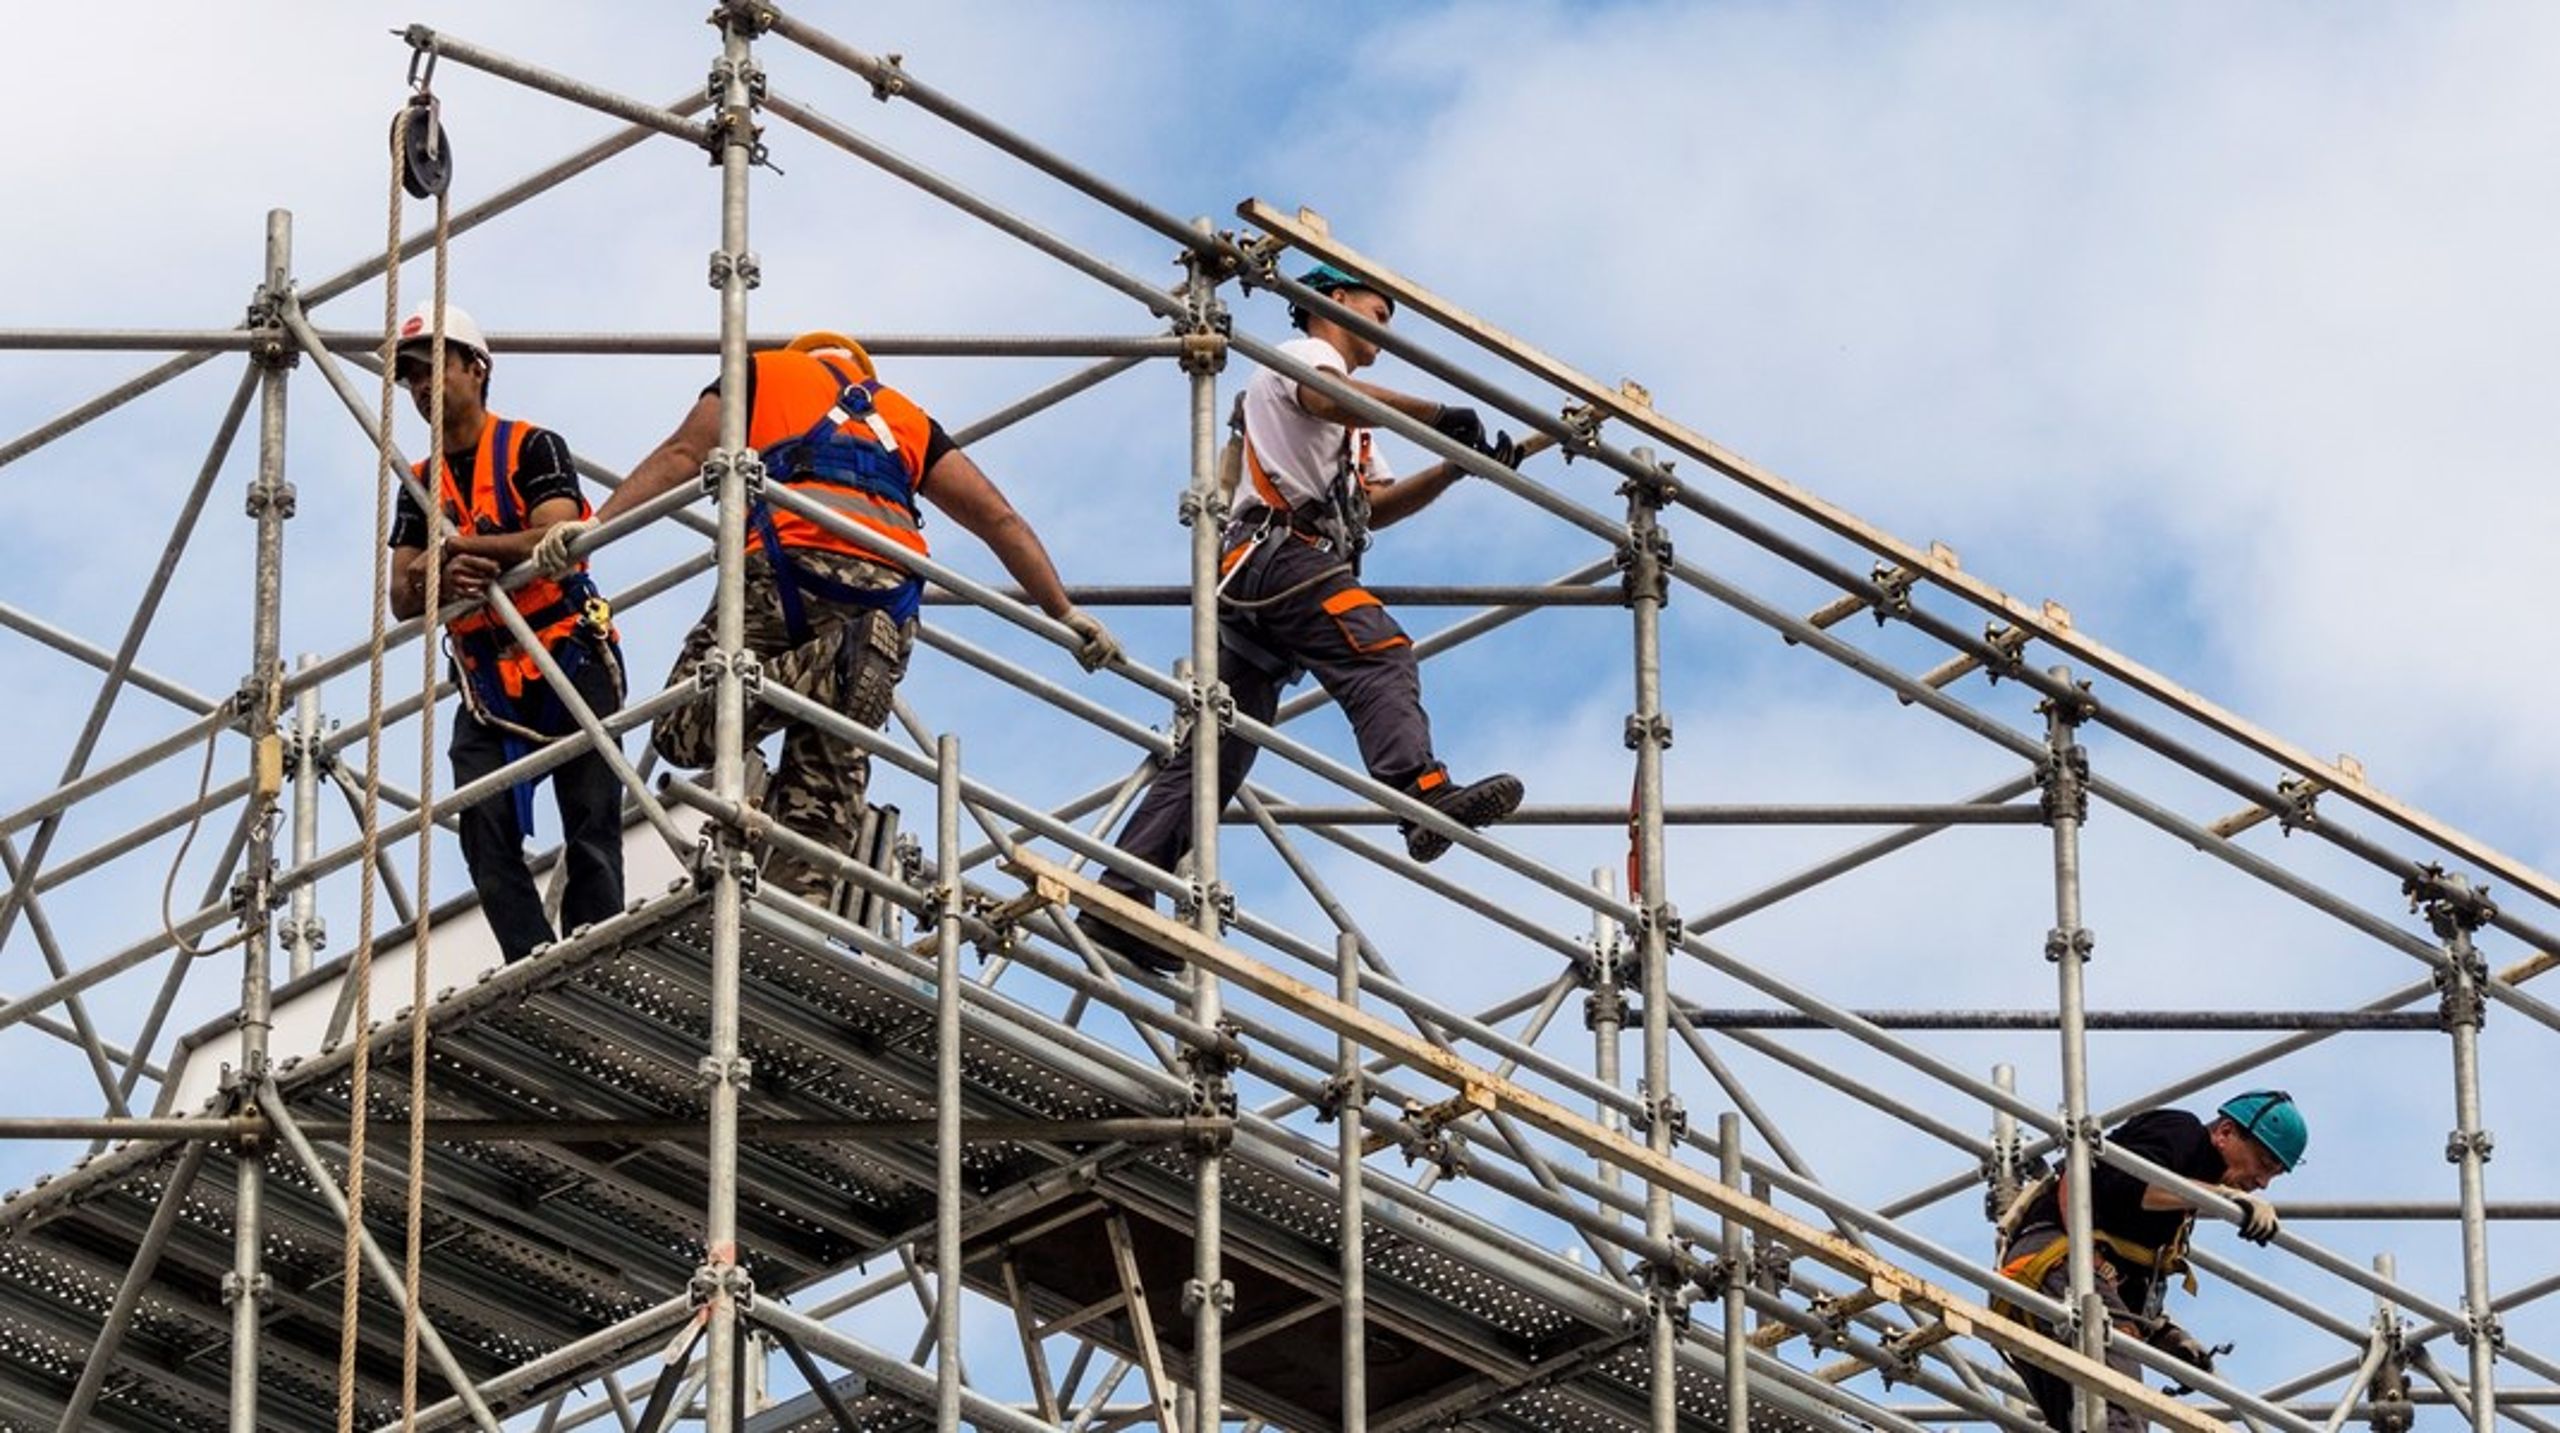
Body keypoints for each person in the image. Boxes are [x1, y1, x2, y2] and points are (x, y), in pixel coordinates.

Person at [558, 331, 1119, 908]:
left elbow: (683, 452)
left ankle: (839, 662)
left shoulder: (764, 373)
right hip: (889, 602)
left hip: (788, 567)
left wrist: (595, 529)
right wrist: (1065, 613)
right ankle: (797, 913)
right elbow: (999, 518)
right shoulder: (906, 417)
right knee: (826, 781)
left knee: (680, 729)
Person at [1077, 263, 1525, 975]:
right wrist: (1438, 416)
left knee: (1222, 746)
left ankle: (1120, 893)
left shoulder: (1356, 420)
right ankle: (1420, 793)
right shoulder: (1307, 359)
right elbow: (1326, 396)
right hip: (1280, 557)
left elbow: (1373, 505)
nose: (1382, 330)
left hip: (1272, 569)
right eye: (1375, 313)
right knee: (1379, 651)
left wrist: (1452, 464)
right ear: (1332, 302)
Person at [386, 301, 626, 963]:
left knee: (590, 821)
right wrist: (440, 570)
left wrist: (472, 549)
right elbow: (402, 596)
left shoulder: (531, 446)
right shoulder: (418, 482)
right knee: (484, 829)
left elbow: (558, 537)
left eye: (432, 368)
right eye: (409, 377)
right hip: (487, 676)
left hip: (566, 652)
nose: (420, 387)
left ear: (476, 367)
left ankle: (596, 957)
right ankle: (532, 960)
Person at [1993, 1090, 2305, 1431]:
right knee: (2118, 1397)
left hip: (2048, 1279)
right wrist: (2222, 1196)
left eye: (2274, 1174)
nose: (2262, 1182)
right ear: (2225, 1132)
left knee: (2080, 1414)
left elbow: (2128, 1272)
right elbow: (2126, 1183)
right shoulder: (2182, 1132)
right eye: (2262, 1163)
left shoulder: (2179, 1200)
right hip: (2052, 1260)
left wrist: (2162, 1333)